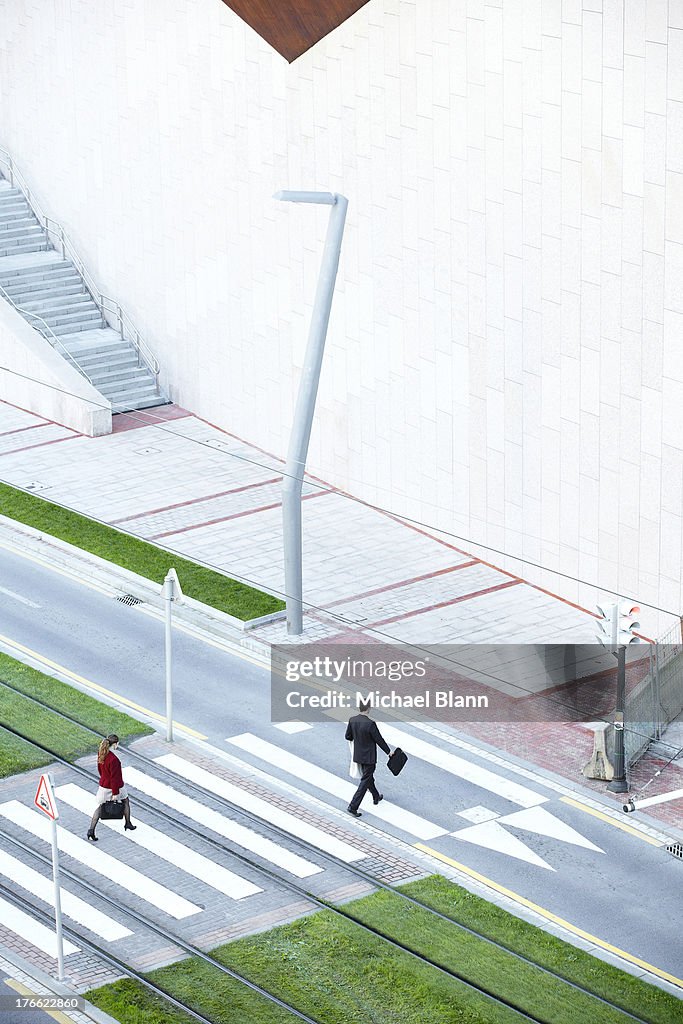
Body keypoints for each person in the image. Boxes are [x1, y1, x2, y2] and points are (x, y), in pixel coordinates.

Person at [344, 701, 392, 817]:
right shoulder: (370, 724)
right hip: (369, 758)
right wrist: (389, 752)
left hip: (358, 756)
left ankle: (376, 796)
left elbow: (347, 736)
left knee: (367, 777)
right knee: (364, 781)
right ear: (368, 708)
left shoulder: (352, 720)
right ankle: (353, 806)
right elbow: (379, 740)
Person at [87, 735, 136, 841]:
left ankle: (91, 830)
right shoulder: (114, 760)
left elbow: (100, 770)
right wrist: (115, 793)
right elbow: (115, 778)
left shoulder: (102, 753)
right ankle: (127, 823)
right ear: (114, 744)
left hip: (104, 786)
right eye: (117, 743)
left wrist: (104, 779)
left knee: (100, 808)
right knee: (126, 801)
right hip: (115, 786)